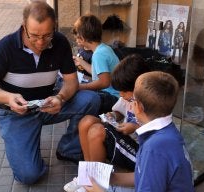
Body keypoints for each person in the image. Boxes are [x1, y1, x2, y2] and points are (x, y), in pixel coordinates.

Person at [0, 0, 100, 185]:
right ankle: (26, 145)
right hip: (15, 114)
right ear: (23, 27)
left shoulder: (60, 42)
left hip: (48, 105)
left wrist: (60, 97)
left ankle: (69, 149)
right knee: (29, 176)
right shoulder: (5, 47)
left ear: (55, 27)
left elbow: (71, 81)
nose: (41, 42)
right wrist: (8, 97)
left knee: (91, 99)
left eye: (47, 35)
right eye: (34, 35)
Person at [84, 71, 194, 192]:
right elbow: (142, 176)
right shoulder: (166, 133)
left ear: (138, 107)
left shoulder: (154, 148)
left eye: (133, 100)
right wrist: (109, 178)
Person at [63, 54, 150, 192]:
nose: (121, 95)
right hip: (125, 136)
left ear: (139, 86)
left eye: (124, 91)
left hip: (140, 151)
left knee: (97, 131)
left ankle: (97, 181)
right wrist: (113, 115)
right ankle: (87, 176)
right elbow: (121, 111)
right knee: (87, 121)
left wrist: (134, 126)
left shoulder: (150, 100)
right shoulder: (128, 97)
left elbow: (154, 127)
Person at [72, 14, 120, 114]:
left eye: (77, 38)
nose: (76, 40)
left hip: (112, 97)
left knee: (80, 101)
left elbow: (104, 82)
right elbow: (97, 72)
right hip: (114, 95)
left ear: (82, 38)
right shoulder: (104, 48)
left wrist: (80, 87)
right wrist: (80, 61)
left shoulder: (98, 55)